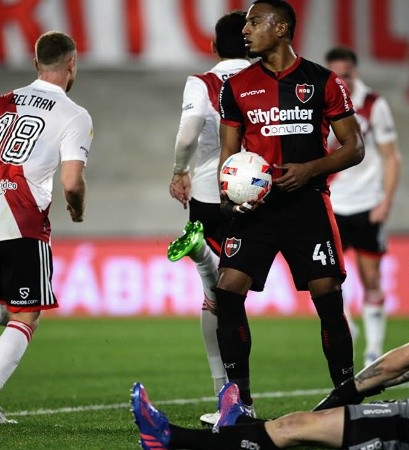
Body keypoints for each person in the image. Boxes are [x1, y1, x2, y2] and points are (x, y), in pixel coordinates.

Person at [131, 237, 409, 450]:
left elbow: (398, 362)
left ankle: (169, 437)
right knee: (296, 431)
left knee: (295, 427)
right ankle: (230, 430)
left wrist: (345, 393)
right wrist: (363, 391)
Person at [214, 0, 365, 412]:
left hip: (307, 206)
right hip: (257, 211)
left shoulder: (323, 81)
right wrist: (230, 198)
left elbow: (355, 147)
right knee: (227, 293)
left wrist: (309, 169)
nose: (245, 30)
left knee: (328, 297)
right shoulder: (237, 86)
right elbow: (228, 157)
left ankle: (344, 397)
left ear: (281, 28)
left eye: (254, 23)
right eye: (245, 24)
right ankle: (239, 402)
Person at [0, 31, 92, 423]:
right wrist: (76, 210)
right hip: (22, 222)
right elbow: (72, 182)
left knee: (7, 302)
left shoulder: (0, 102)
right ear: (72, 63)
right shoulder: (73, 114)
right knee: (27, 315)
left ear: (35, 63)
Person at [165, 10, 251, 426]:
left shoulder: (204, 81)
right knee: (235, 294)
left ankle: (225, 393)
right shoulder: (270, 79)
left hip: (209, 192)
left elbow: (187, 132)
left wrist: (180, 169)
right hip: (262, 193)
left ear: (214, 46)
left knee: (218, 297)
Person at [324, 46, 402, 368]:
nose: (340, 80)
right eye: (335, 75)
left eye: (345, 74)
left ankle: (373, 347)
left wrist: (386, 201)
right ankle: (346, 324)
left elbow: (390, 156)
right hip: (333, 203)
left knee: (371, 277)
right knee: (326, 277)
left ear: (354, 72)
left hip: (367, 204)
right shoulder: (320, 102)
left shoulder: (373, 105)